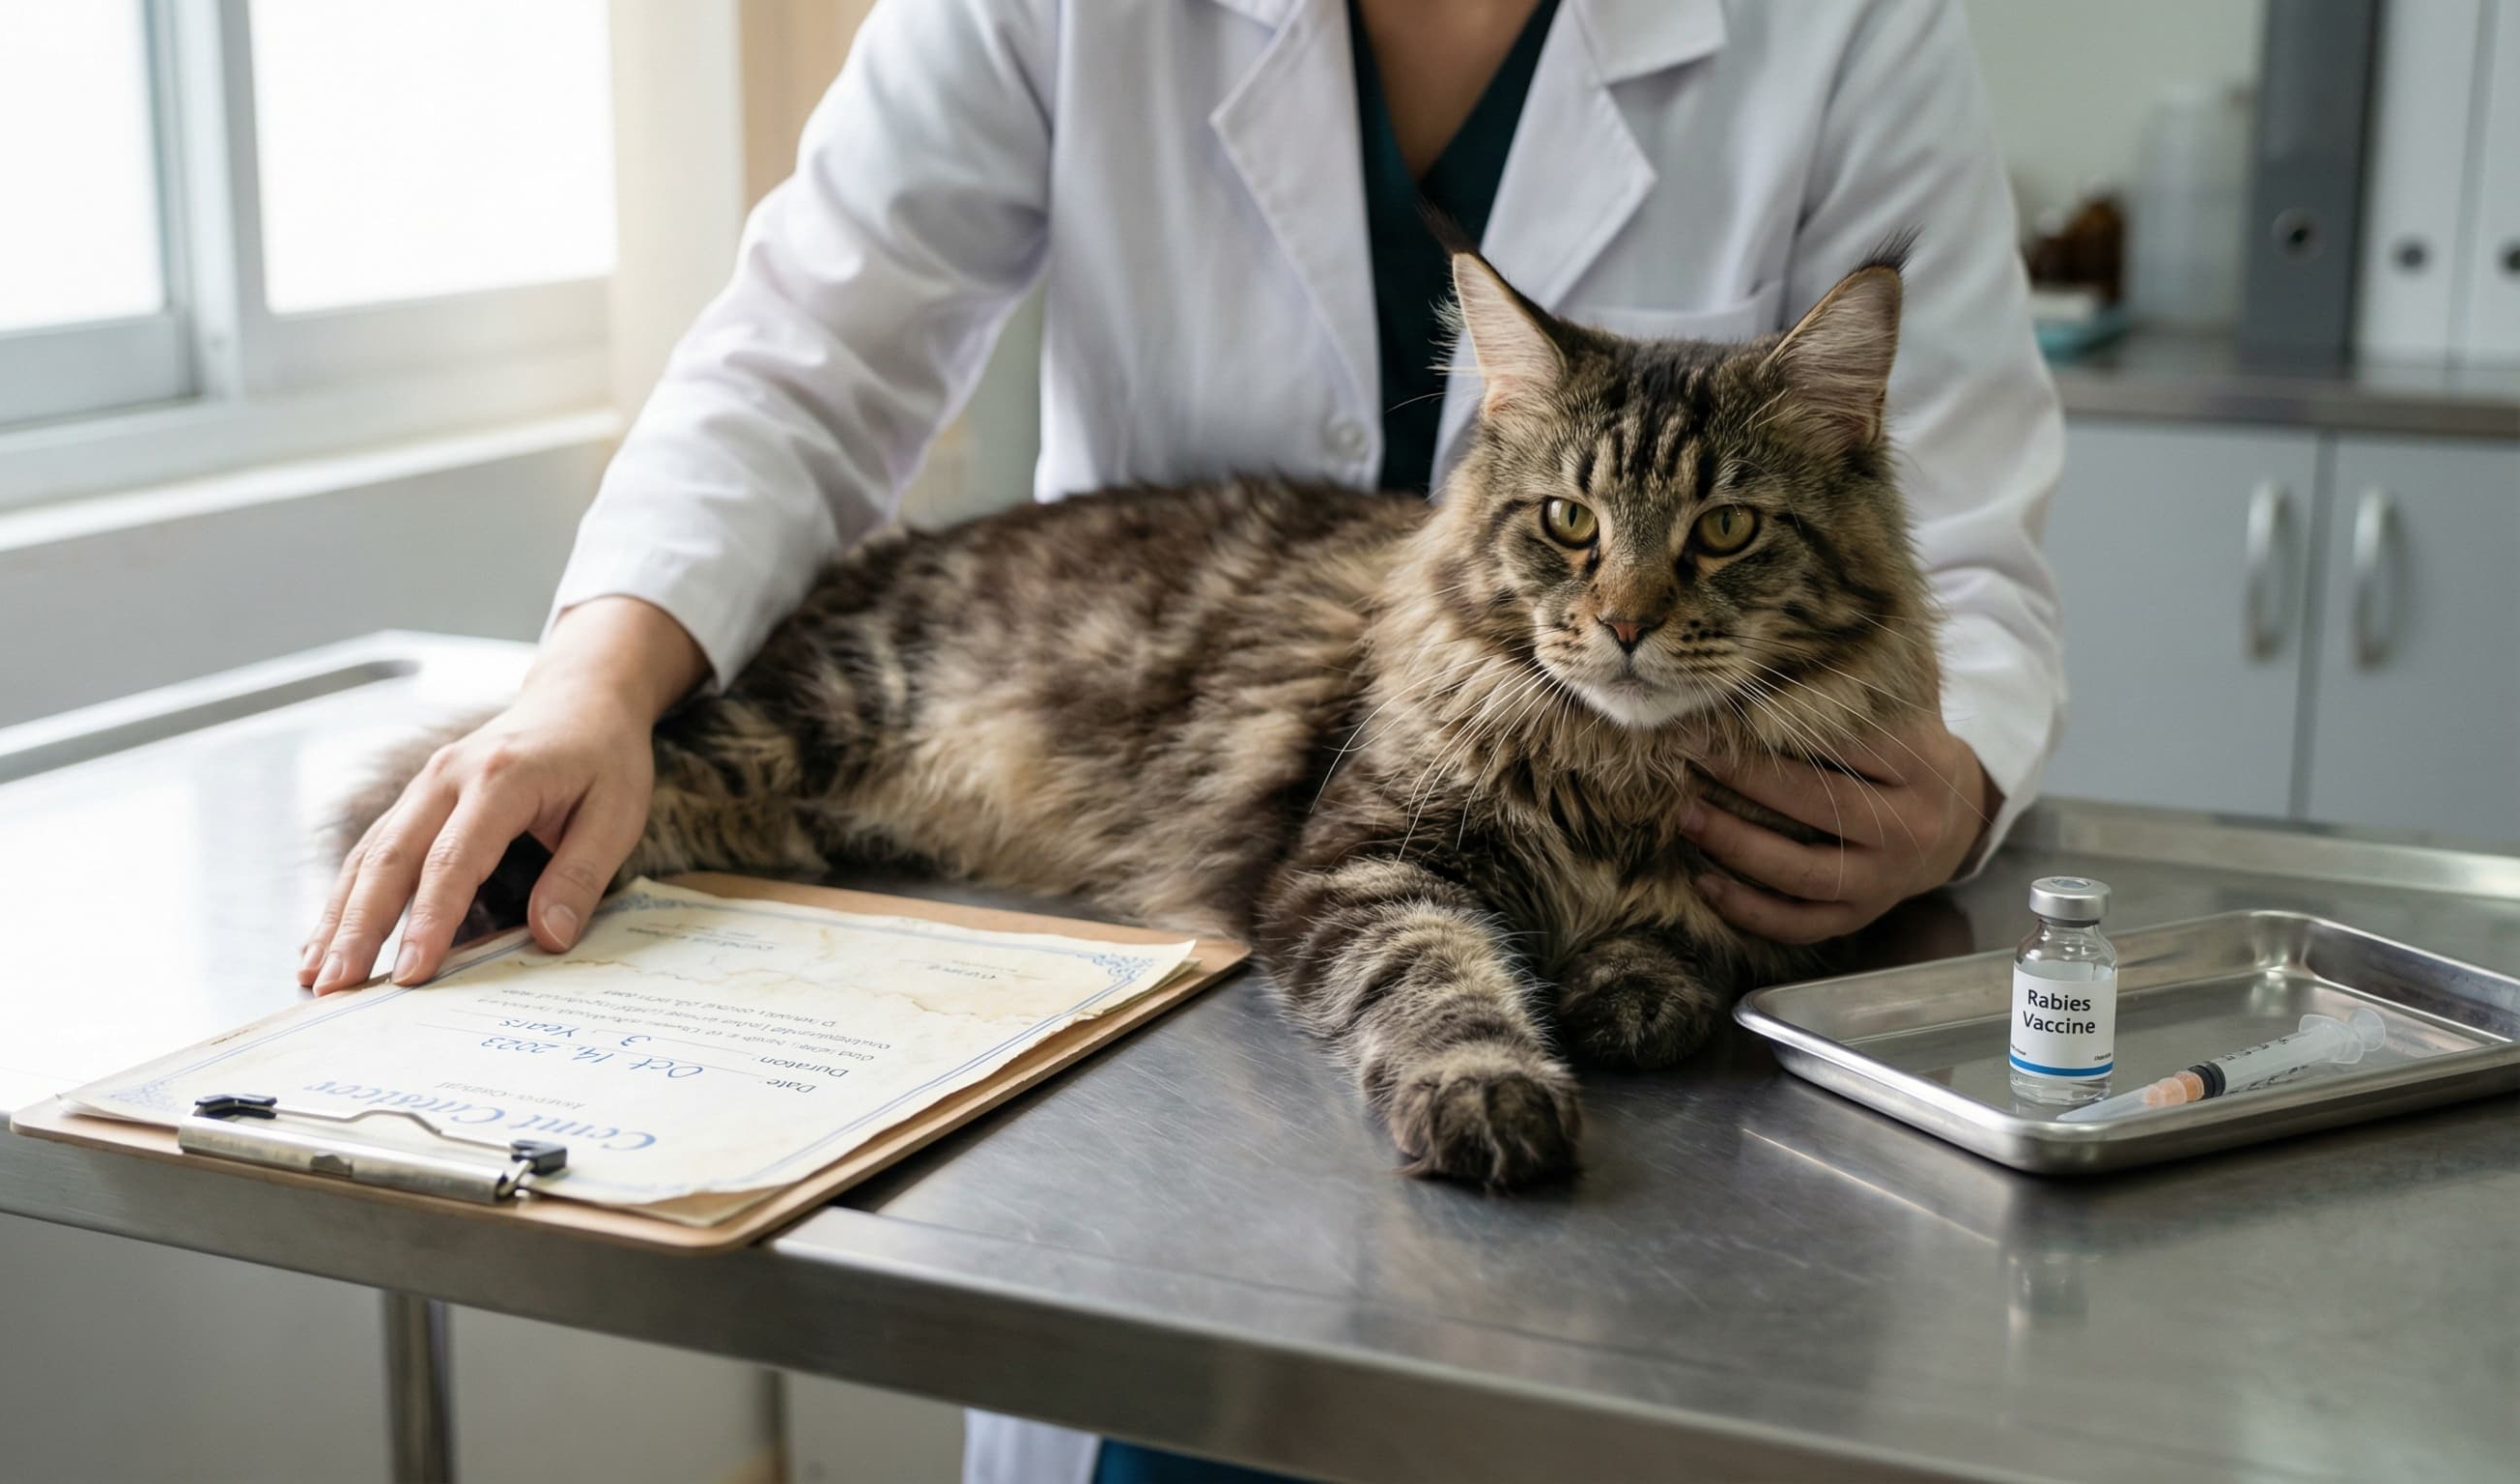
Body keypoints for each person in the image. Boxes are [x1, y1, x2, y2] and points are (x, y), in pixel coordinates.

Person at [304, 1, 2064, 1478]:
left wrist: (1949, 774)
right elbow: (808, 347)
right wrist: (593, 689)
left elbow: (1964, 517)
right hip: (1133, 906)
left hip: (1639, 1225)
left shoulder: (1841, 20)